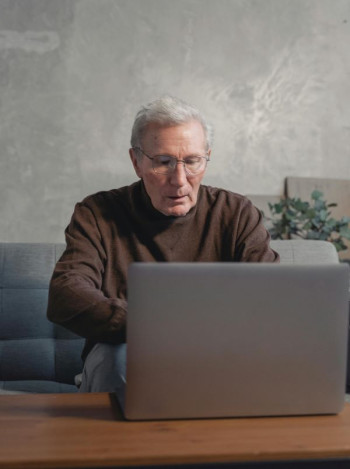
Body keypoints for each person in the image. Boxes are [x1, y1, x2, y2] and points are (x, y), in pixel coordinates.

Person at [47, 95, 279, 392]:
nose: (180, 180)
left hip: (217, 358)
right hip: (126, 354)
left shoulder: (236, 213)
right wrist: (154, 326)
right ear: (137, 162)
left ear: (207, 157)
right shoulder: (97, 213)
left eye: (193, 161)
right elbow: (66, 294)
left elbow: (270, 297)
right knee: (118, 357)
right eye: (164, 162)